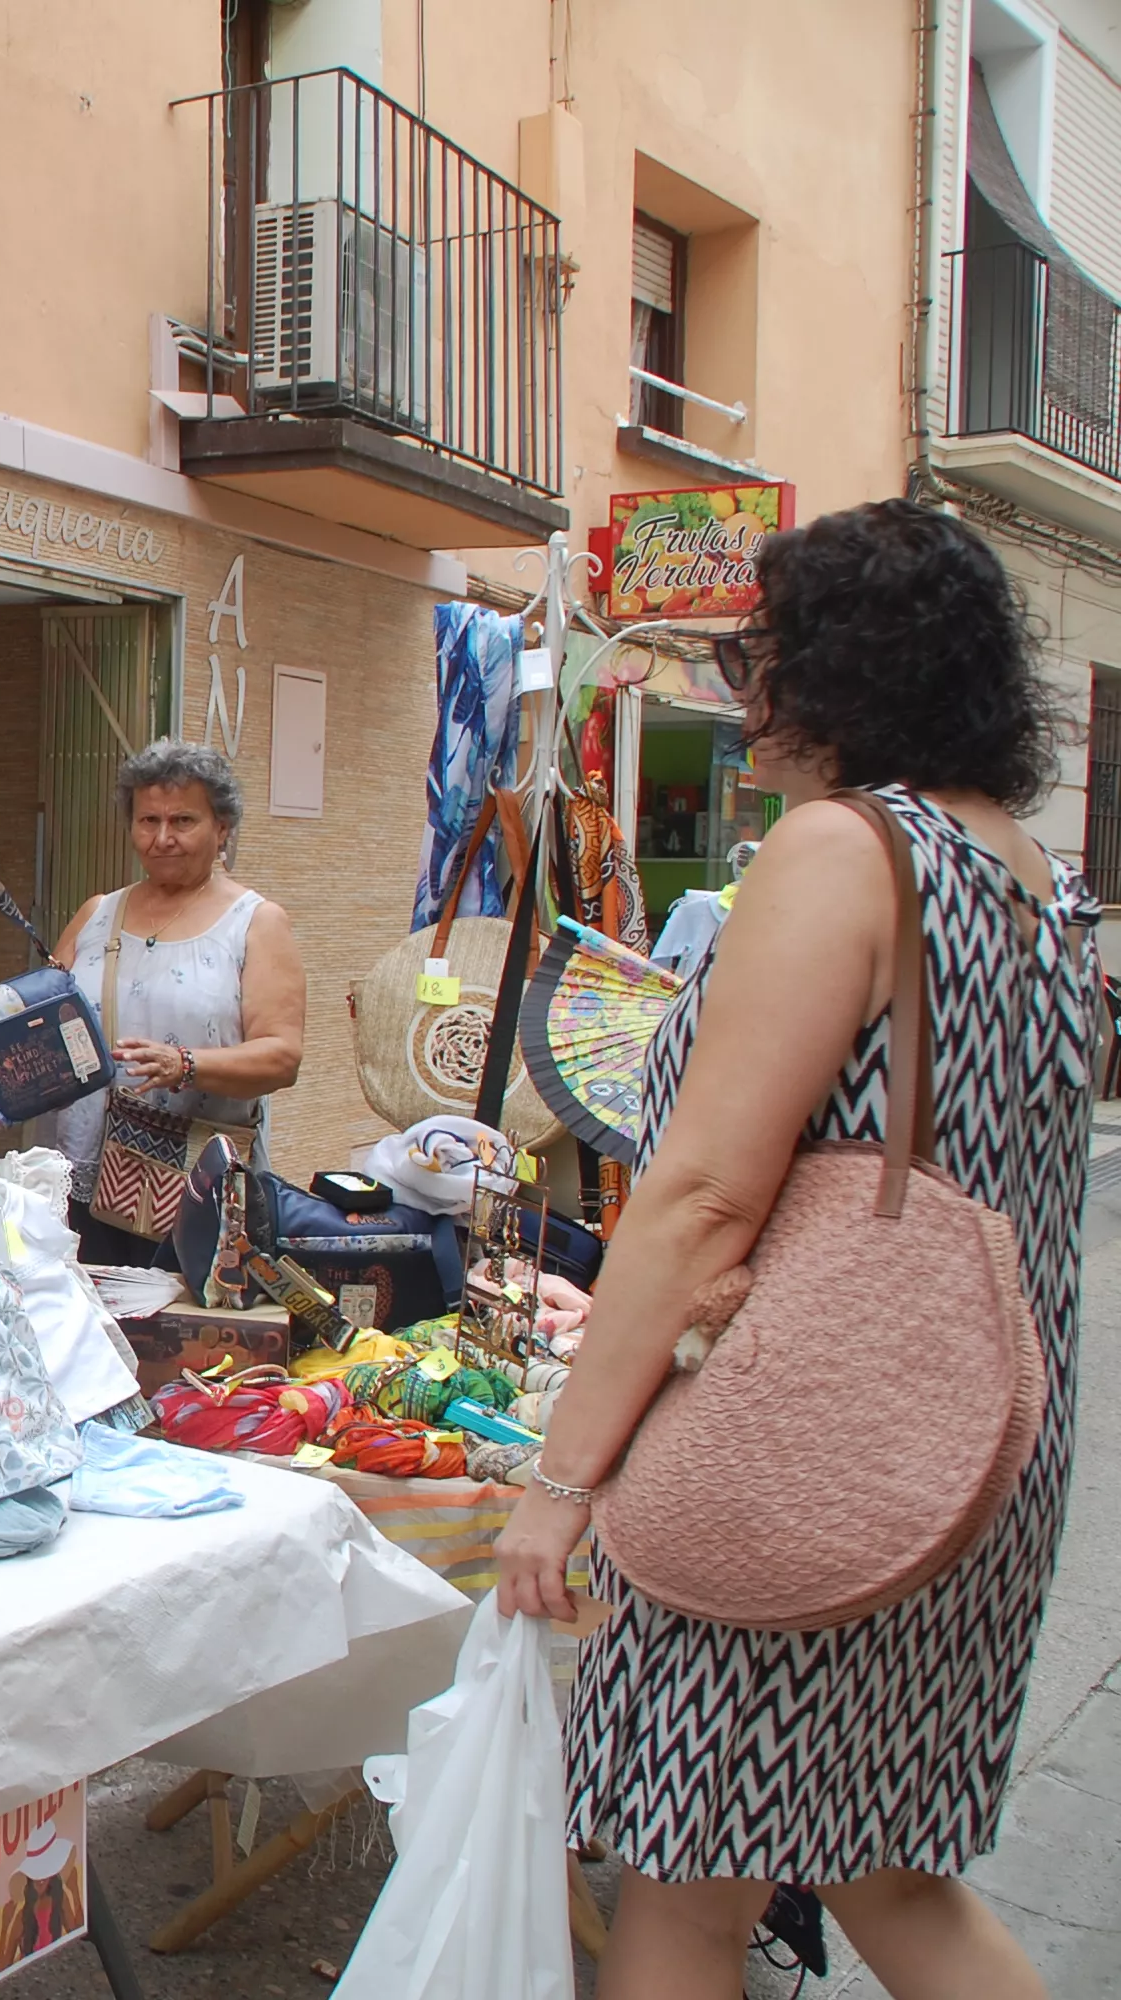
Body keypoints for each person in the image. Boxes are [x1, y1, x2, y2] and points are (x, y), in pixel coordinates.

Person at [494, 500, 1096, 2000]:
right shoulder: (1026, 876)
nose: (740, 688)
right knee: (883, 1864)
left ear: (835, 670)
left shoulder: (843, 851)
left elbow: (703, 1193)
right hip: (971, 1434)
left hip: (806, 1439)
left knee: (686, 1881)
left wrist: (560, 1485)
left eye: (754, 655)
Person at [49, 738, 306, 1266]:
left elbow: (282, 1057)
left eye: (183, 821)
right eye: (148, 821)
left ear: (222, 829)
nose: (163, 837)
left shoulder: (255, 924)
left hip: (196, 1192)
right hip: (85, 1183)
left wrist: (184, 1065)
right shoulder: (98, 914)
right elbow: (45, 1020)